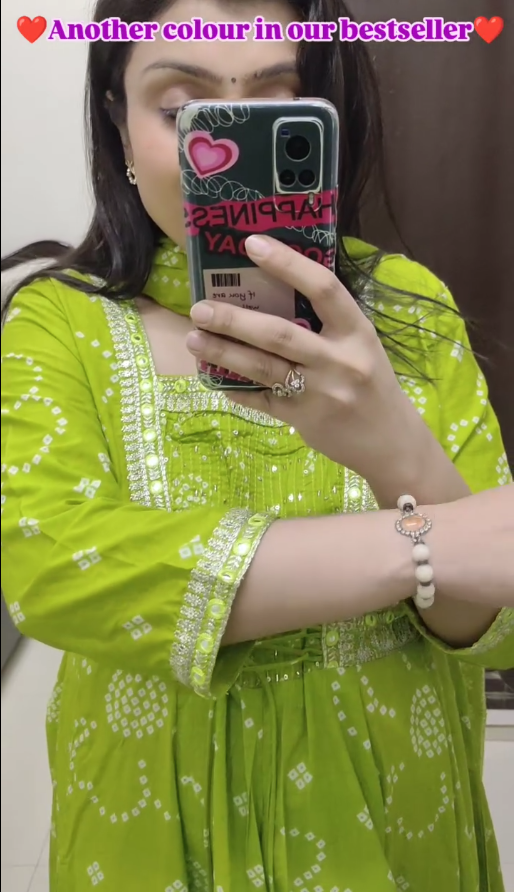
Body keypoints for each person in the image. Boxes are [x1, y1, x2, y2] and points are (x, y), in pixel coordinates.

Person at [1, 0, 512, 890]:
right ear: (119, 127)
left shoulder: (412, 308)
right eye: (182, 109)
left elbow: (495, 617)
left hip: (397, 822)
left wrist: (397, 449)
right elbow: (53, 570)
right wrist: (424, 543)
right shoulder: (59, 322)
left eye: (279, 112)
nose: (230, 158)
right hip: (155, 830)